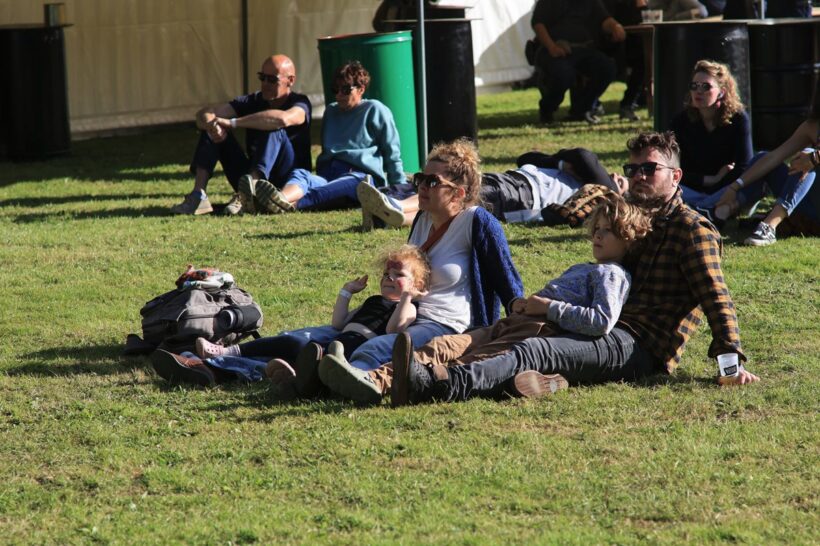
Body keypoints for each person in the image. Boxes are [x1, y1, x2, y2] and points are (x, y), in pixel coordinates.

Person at [398, 131, 759, 405]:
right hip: (595, 323)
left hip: (638, 344)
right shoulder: (632, 217)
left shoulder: (692, 229)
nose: (639, 176)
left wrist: (730, 366)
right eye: (633, 169)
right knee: (509, 334)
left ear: (676, 176)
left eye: (649, 169)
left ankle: (437, 386)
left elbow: (716, 298)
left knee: (534, 351)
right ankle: (433, 372)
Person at [150, 139, 524, 397]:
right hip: (396, 315)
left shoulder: (477, 223)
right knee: (310, 338)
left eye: (432, 181)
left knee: (365, 351)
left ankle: (232, 371)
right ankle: (217, 359)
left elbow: (509, 286)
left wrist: (512, 336)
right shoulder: (423, 221)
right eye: (419, 178)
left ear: (458, 192)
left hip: (444, 326)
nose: (421, 186)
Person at [333, 194, 653, 405]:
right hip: (514, 321)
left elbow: (600, 322)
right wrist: (526, 305)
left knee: (474, 359)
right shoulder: (587, 267)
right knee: (445, 345)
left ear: (629, 240)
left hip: (537, 328)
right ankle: (373, 377)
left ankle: (409, 383)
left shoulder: (612, 274)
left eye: (608, 231)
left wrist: (547, 307)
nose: (597, 235)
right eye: (597, 228)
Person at [152, 245, 430, 390]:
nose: (389, 278)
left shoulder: (408, 308)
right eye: (386, 274)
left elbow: (394, 330)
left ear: (416, 284)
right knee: (291, 345)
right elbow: (339, 323)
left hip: (350, 350)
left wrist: (408, 297)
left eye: (398, 275)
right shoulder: (373, 301)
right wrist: (346, 292)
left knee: (299, 356)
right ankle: (222, 355)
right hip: (338, 339)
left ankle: (219, 363)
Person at [238, 61, 404, 215]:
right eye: (335, 89)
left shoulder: (375, 109)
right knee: (301, 174)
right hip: (327, 175)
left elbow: (392, 153)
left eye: (345, 90)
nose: (339, 95)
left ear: (361, 89)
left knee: (326, 191)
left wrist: (401, 189)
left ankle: (285, 206)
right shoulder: (331, 111)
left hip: (359, 176)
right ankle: (279, 199)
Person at [170, 54, 311, 216]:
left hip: (288, 180)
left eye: (272, 79)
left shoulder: (300, 102)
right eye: (262, 77)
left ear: (290, 80)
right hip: (247, 175)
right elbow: (204, 113)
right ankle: (198, 195)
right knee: (213, 128)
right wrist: (211, 124)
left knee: (274, 127)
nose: (265, 84)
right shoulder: (252, 100)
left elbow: (283, 119)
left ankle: (249, 191)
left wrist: (233, 123)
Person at [357, 147, 626, 228]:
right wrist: (560, 163)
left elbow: (584, 156)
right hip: (514, 186)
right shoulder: (573, 172)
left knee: (447, 192)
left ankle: (395, 205)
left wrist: (569, 164)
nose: (615, 176)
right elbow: (526, 157)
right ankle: (388, 218)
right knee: (451, 207)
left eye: (621, 180)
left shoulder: (606, 190)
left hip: (520, 192)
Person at [714, 82, 820, 246]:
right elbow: (774, 157)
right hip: (811, 204)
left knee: (806, 158)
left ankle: (768, 227)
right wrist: (734, 186)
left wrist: (814, 158)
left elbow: (810, 158)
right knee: (763, 158)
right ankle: (723, 210)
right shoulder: (812, 127)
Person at [668, 60, 752, 223]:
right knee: (665, 185)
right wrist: (711, 179)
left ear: (722, 92)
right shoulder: (681, 122)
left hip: (726, 190)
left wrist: (719, 185)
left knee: (755, 180)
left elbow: (744, 166)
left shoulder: (738, 119)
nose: (698, 91)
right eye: (694, 86)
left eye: (705, 87)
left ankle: (697, 209)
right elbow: (673, 168)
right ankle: (710, 210)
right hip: (690, 190)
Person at [531, 0, 626, 124]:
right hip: (555, 49)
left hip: (584, 49)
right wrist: (551, 47)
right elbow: (538, 24)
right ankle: (547, 109)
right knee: (564, 74)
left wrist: (615, 26)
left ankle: (582, 109)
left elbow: (604, 19)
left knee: (607, 68)